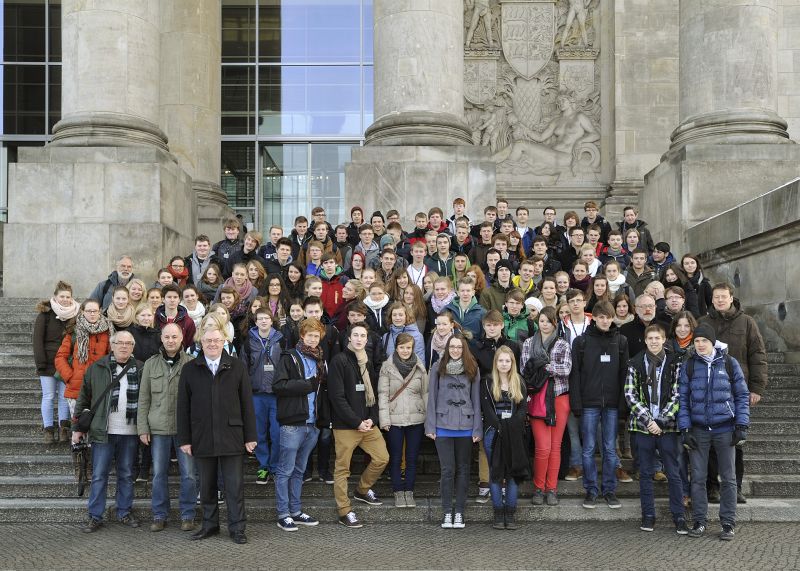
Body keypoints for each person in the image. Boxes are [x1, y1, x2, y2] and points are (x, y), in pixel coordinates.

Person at [176, 318, 257, 544]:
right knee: (207, 487)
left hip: (232, 435)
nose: (212, 344)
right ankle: (210, 525)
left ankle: (237, 528)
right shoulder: (190, 369)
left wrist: (251, 436)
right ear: (201, 342)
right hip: (202, 436)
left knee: (234, 486)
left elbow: (247, 404)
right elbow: (182, 407)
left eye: (217, 340)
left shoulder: (237, 366)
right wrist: (184, 439)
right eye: (208, 340)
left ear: (224, 341)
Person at [678, 323, 750, 541]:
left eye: (704, 341)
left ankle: (728, 523)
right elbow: (683, 399)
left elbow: (741, 395)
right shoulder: (689, 365)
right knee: (698, 478)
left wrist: (742, 425)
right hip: (699, 430)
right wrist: (685, 428)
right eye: (697, 341)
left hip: (725, 429)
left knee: (728, 479)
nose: (700, 345)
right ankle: (699, 521)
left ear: (712, 342)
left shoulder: (729, 363)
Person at [699, 283, 767, 504]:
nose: (719, 300)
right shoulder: (704, 322)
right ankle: (712, 487)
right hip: (709, 391)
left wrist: (756, 388)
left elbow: (757, 354)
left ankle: (735, 488)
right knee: (709, 443)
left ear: (731, 298)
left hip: (737, 391)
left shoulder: (747, 322)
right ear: (712, 300)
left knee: (736, 441)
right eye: (716, 297)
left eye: (723, 297)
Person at [72, 330, 143, 533]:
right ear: (112, 345)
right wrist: (77, 428)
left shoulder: (140, 368)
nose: (123, 346)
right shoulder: (97, 367)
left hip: (130, 431)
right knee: (99, 474)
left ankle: (124, 511)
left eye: (128, 344)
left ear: (133, 347)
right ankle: (95, 516)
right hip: (103, 431)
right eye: (119, 343)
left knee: (127, 473)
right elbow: (84, 398)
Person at [624, 323, 686, 534]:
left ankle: (679, 515)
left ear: (664, 340)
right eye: (650, 338)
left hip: (668, 427)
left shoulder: (675, 362)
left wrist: (662, 421)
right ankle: (648, 515)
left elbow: (678, 393)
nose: (653, 342)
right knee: (646, 472)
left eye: (657, 338)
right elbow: (630, 394)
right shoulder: (635, 362)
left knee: (674, 472)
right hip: (643, 427)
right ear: (645, 340)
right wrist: (649, 421)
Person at [327, 324, 390, 528]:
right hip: (346, 426)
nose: (360, 339)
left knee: (382, 458)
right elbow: (337, 397)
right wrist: (356, 422)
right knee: (342, 469)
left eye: (363, 335)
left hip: (368, 424)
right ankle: (344, 511)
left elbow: (372, 393)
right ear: (349, 338)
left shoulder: (367, 361)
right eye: (356, 335)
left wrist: (372, 418)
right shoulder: (339, 361)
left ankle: (361, 490)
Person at [569, 301, 629, 510]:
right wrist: (576, 403)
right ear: (593, 317)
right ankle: (591, 490)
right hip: (589, 403)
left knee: (610, 449)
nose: (605, 320)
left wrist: (623, 404)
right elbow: (574, 374)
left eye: (608, 317)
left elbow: (624, 375)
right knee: (588, 449)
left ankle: (610, 490)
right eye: (601, 316)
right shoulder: (581, 342)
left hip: (612, 404)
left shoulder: (621, 341)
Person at [137, 324, 197, 532]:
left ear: (182, 338)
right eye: (167, 336)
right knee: (158, 474)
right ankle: (159, 514)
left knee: (189, 474)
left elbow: (197, 400)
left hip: (185, 430)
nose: (171, 340)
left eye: (175, 336)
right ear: (161, 338)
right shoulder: (151, 365)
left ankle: (188, 514)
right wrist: (142, 428)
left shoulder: (191, 364)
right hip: (158, 428)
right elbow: (144, 399)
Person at [271, 318, 327, 532]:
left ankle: (296, 511)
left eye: (316, 335)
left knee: (300, 470)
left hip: (312, 424)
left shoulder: (320, 359)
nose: (313, 338)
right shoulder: (290, 357)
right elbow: (278, 385)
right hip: (293, 423)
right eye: (310, 334)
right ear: (302, 335)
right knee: (285, 470)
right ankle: (283, 514)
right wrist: (307, 385)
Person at [425, 334, 482, 529]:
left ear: (463, 349)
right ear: (448, 348)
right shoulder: (437, 367)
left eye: (459, 347)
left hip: (466, 426)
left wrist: (477, 428)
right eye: (452, 347)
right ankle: (447, 512)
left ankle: (459, 512)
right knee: (447, 470)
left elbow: (476, 400)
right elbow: (431, 397)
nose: (456, 350)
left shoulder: (472, 368)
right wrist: (430, 426)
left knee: (464, 471)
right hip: (442, 425)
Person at [521, 307, 572, 506]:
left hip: (559, 398)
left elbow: (566, 369)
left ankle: (552, 488)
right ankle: (538, 488)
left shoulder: (562, 344)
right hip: (537, 399)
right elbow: (526, 369)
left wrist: (544, 366)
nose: (545, 324)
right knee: (543, 447)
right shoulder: (527, 343)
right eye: (542, 320)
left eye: (549, 321)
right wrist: (549, 368)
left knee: (555, 447)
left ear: (554, 323)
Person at [480, 346, 529, 530]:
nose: (504, 364)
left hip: (514, 432)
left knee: (512, 474)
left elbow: (523, 408)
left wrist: (512, 426)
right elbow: (487, 410)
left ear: (512, 363)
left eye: (507, 360)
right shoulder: (487, 382)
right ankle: (498, 512)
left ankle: (510, 512)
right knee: (496, 472)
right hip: (494, 431)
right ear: (496, 362)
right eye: (500, 360)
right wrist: (500, 427)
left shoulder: (519, 381)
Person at [378, 332, 428, 508]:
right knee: (396, 456)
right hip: (394, 419)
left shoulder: (420, 367)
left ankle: (409, 491)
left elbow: (426, 393)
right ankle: (398, 491)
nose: (405, 351)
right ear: (396, 348)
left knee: (412, 457)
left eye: (408, 347)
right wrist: (384, 419)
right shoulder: (387, 367)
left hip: (416, 417)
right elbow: (383, 394)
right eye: (402, 347)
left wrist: (428, 417)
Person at [240, 308, 284, 486]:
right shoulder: (249, 343)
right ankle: (263, 465)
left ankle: (274, 466)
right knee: (259, 432)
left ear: (271, 320)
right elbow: (243, 368)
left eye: (266, 318)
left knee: (277, 432)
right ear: (255, 322)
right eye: (260, 319)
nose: (264, 321)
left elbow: (286, 364)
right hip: (256, 393)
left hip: (276, 393)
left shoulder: (282, 339)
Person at [34, 281, 80, 443]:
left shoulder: (76, 315)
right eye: (62, 296)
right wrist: (40, 363)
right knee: (48, 396)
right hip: (47, 363)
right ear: (55, 297)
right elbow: (37, 341)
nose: (65, 299)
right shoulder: (45, 315)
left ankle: (63, 429)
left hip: (66, 364)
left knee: (63, 397)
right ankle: (48, 429)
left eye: (68, 296)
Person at [55, 299, 111, 416]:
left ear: (99, 312)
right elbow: (60, 357)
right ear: (82, 312)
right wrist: (70, 375)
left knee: (96, 426)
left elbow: (112, 357)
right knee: (78, 426)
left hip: (100, 385)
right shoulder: (73, 332)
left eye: (95, 311)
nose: (92, 314)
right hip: (76, 386)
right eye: (89, 311)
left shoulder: (108, 331)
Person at [156, 284, 197, 350]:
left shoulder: (188, 321)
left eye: (175, 297)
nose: (172, 300)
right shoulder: (155, 319)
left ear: (179, 300)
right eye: (169, 297)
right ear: (163, 299)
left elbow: (190, 344)